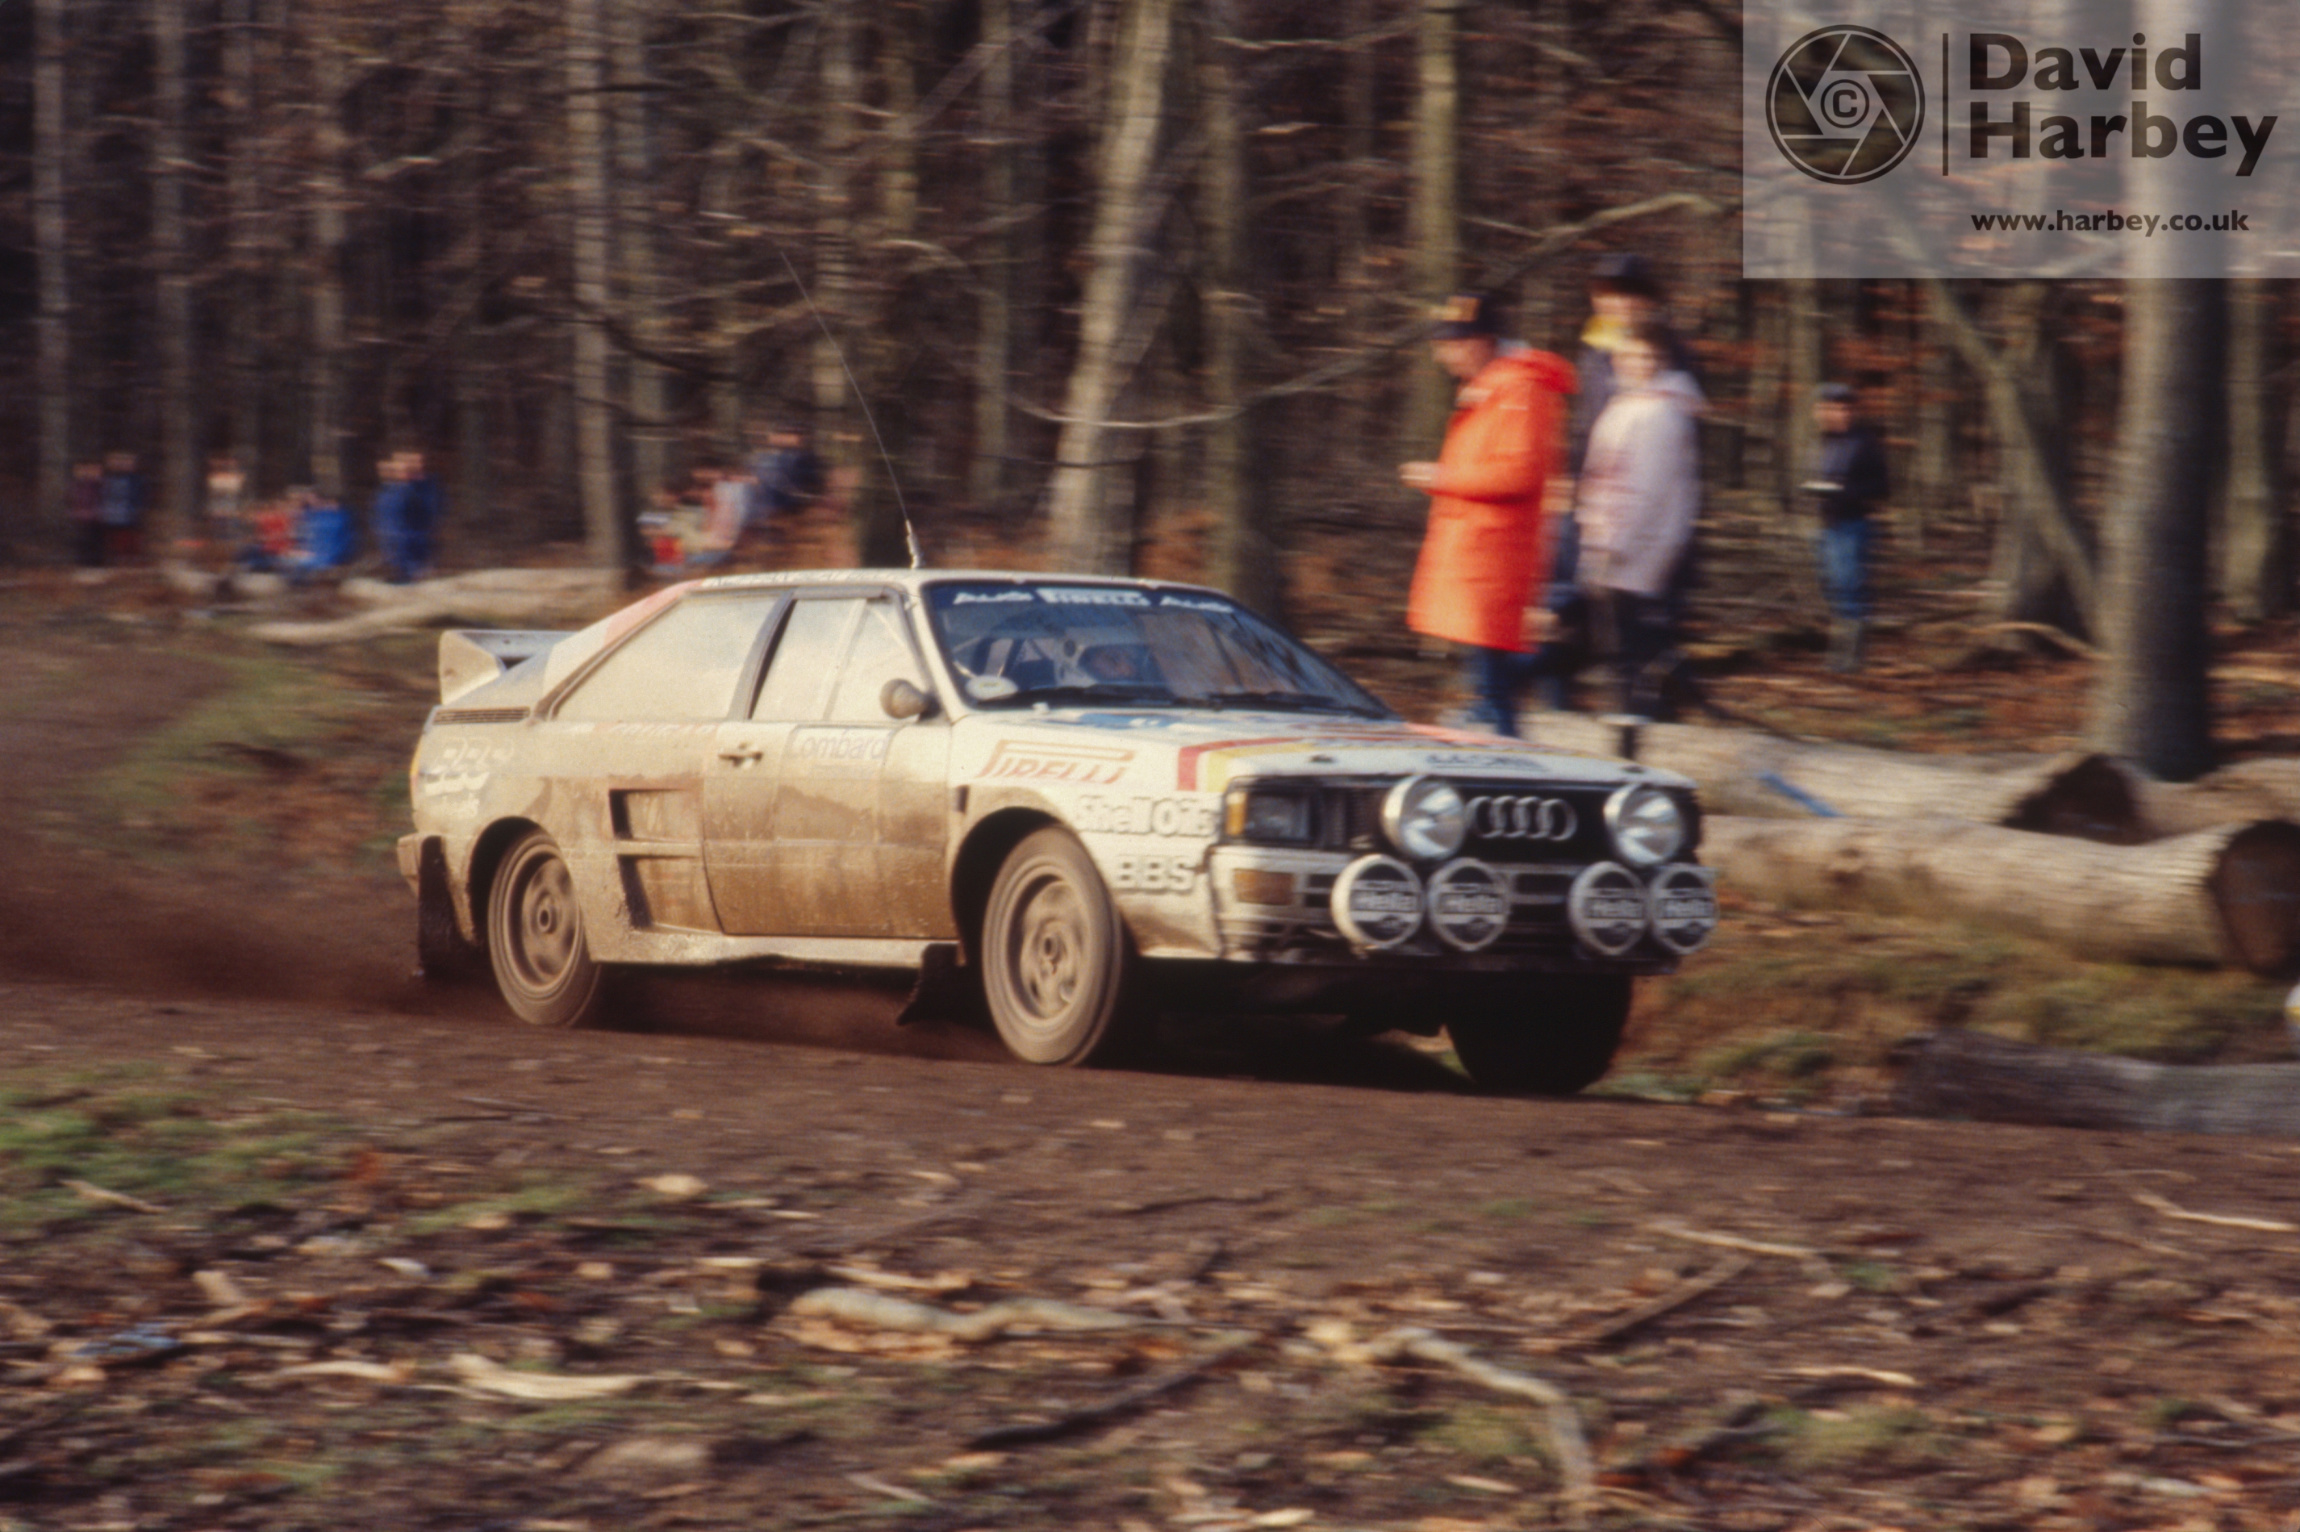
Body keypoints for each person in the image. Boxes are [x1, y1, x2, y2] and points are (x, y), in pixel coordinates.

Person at [1399, 292, 1577, 738]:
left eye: (1453, 343)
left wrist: (1443, 476)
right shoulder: (1487, 390)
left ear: (1482, 342)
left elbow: (1517, 474)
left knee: (1494, 697)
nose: (1443, 355)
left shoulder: (1520, 391)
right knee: (1488, 689)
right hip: (1477, 561)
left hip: (1493, 562)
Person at [1537, 254, 1703, 709]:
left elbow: (1674, 450)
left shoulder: (1667, 353)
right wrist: (1567, 477)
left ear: (1647, 302)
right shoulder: (1595, 351)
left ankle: (1651, 719)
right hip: (1595, 500)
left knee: (1644, 626)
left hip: (1647, 512)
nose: (1619, 305)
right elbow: (1585, 424)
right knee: (1574, 609)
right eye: (1609, 295)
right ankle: (1559, 710)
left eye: (1629, 296)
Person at [1576, 319, 1702, 719]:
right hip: (1612, 541)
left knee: (1625, 652)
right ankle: (1645, 710)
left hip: (1632, 548)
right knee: (1622, 647)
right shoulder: (1626, 405)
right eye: (1631, 356)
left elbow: (1644, 490)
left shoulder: (1657, 413)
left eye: (1649, 357)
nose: (1639, 365)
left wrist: (1613, 544)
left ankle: (1634, 731)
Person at [1804, 382, 1890, 673]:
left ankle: (1852, 657)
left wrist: (1848, 492)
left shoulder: (1864, 443)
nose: (1838, 414)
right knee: (1833, 587)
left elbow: (1883, 486)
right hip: (1827, 525)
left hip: (1854, 525)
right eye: (1831, 408)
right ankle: (1839, 650)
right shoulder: (1821, 442)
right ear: (1820, 411)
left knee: (1852, 587)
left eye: (1844, 408)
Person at [746, 421, 826, 543]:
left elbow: (813, 482)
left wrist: (807, 495)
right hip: (779, 494)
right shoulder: (775, 455)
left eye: (790, 434)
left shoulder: (805, 457)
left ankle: (767, 527)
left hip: (791, 496)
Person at [98, 452, 147, 564]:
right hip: (111, 512)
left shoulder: (136, 479)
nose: (122, 465)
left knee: (128, 536)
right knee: (113, 536)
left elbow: (139, 495)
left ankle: (129, 559)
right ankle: (115, 558)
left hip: (129, 512)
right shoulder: (107, 478)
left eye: (127, 462)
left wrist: (137, 509)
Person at [68, 460, 106, 569]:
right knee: (82, 540)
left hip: (96, 517)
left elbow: (102, 499)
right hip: (80, 517)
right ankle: (82, 562)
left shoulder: (100, 485)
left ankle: (96, 563)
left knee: (95, 540)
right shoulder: (76, 485)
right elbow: (71, 500)